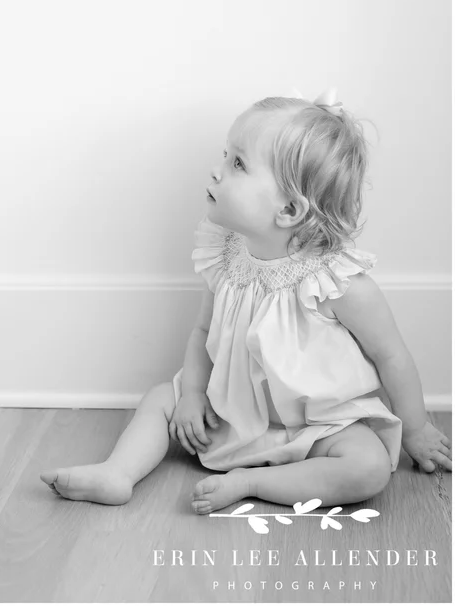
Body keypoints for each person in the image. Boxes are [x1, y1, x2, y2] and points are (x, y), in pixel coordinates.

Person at [40, 90, 451, 513]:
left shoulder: (336, 281)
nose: (216, 172)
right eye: (225, 156)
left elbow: (392, 356)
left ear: (288, 209)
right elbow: (203, 333)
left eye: (237, 163)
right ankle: (117, 473)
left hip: (317, 428)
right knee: (163, 397)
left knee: (369, 467)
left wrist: (416, 430)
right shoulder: (226, 258)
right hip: (233, 414)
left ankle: (252, 481)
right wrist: (194, 395)